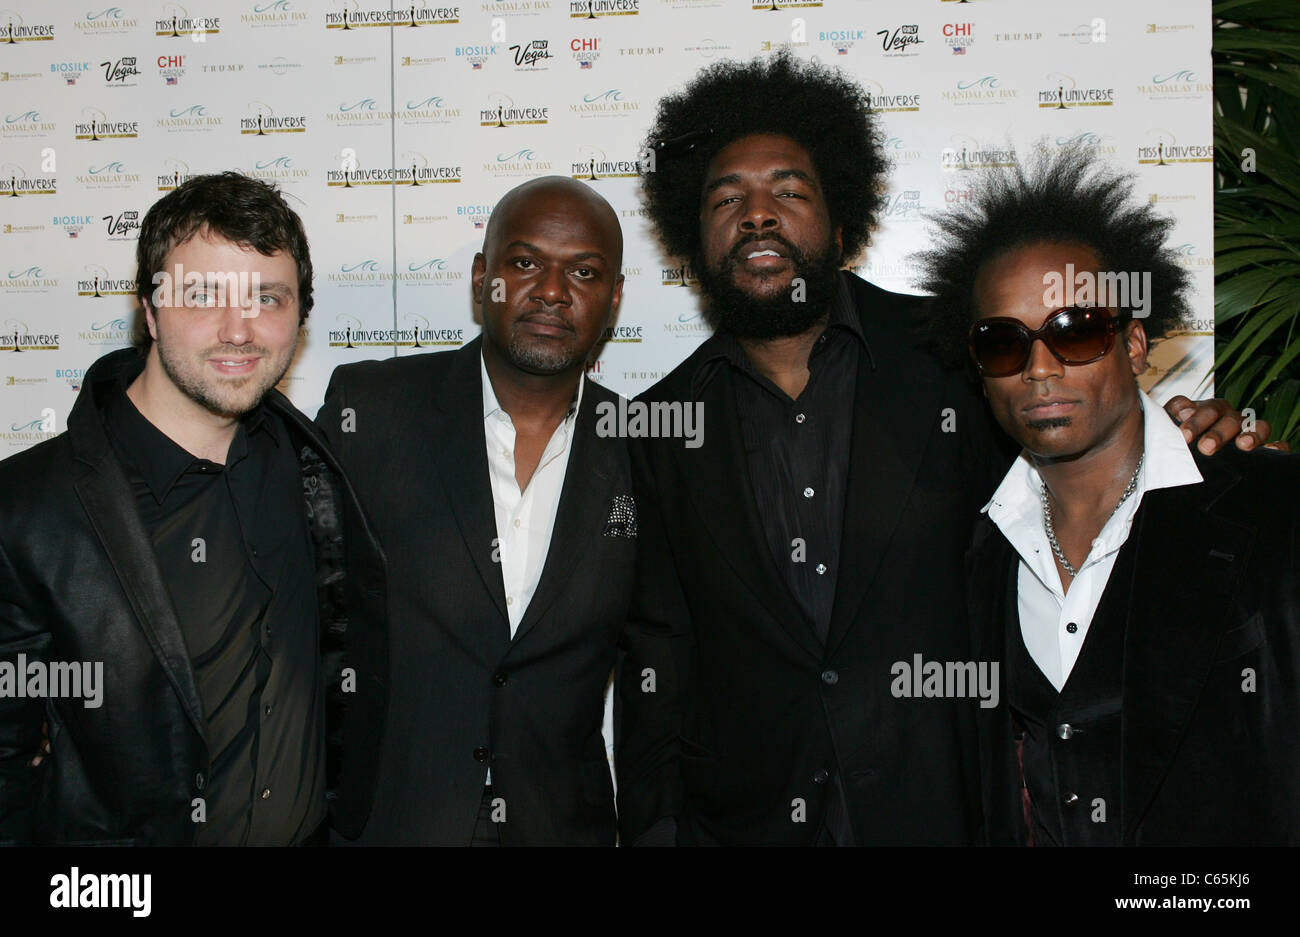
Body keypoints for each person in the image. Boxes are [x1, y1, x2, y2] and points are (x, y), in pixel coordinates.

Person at [615, 52, 1269, 846]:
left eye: (789, 191)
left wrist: (1202, 438)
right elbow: (660, 660)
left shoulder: (965, 357)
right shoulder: (655, 427)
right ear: (697, 234)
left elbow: (1081, 468)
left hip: (952, 815)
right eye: (728, 198)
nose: (758, 214)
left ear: (843, 223)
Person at [914, 146, 1300, 845]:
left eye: (1076, 330)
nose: (1039, 368)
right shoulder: (977, 551)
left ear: (1133, 345)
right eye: (1004, 343)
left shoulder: (1268, 505)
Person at [0, 172, 387, 845]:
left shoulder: (312, 466)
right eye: (203, 295)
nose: (239, 329)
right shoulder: (30, 511)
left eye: (267, 298)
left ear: (300, 314)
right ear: (149, 310)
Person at [316, 176, 636, 845]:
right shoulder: (371, 411)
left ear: (614, 299)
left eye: (583, 270)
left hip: (561, 828)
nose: (551, 290)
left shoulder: (644, 451)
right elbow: (300, 615)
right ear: (480, 278)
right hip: (386, 825)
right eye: (524, 263)